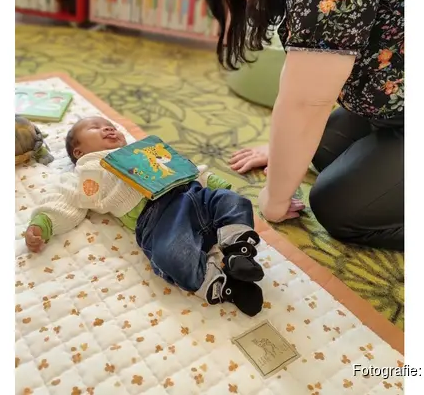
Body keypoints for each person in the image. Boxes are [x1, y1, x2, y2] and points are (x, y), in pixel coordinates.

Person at [187, 0, 404, 251]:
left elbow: (307, 100)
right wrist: (283, 147)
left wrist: (274, 198)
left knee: (339, 206)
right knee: (322, 149)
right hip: (394, 98)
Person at [23, 116, 301, 316]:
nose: (107, 127)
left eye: (110, 125)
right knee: (170, 256)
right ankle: (225, 285)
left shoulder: (142, 148)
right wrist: (43, 223)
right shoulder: (88, 171)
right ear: (78, 151)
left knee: (233, 201)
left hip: (191, 192)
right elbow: (64, 199)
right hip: (157, 218)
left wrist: (212, 180)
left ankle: (238, 250)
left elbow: (185, 166)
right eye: (95, 128)